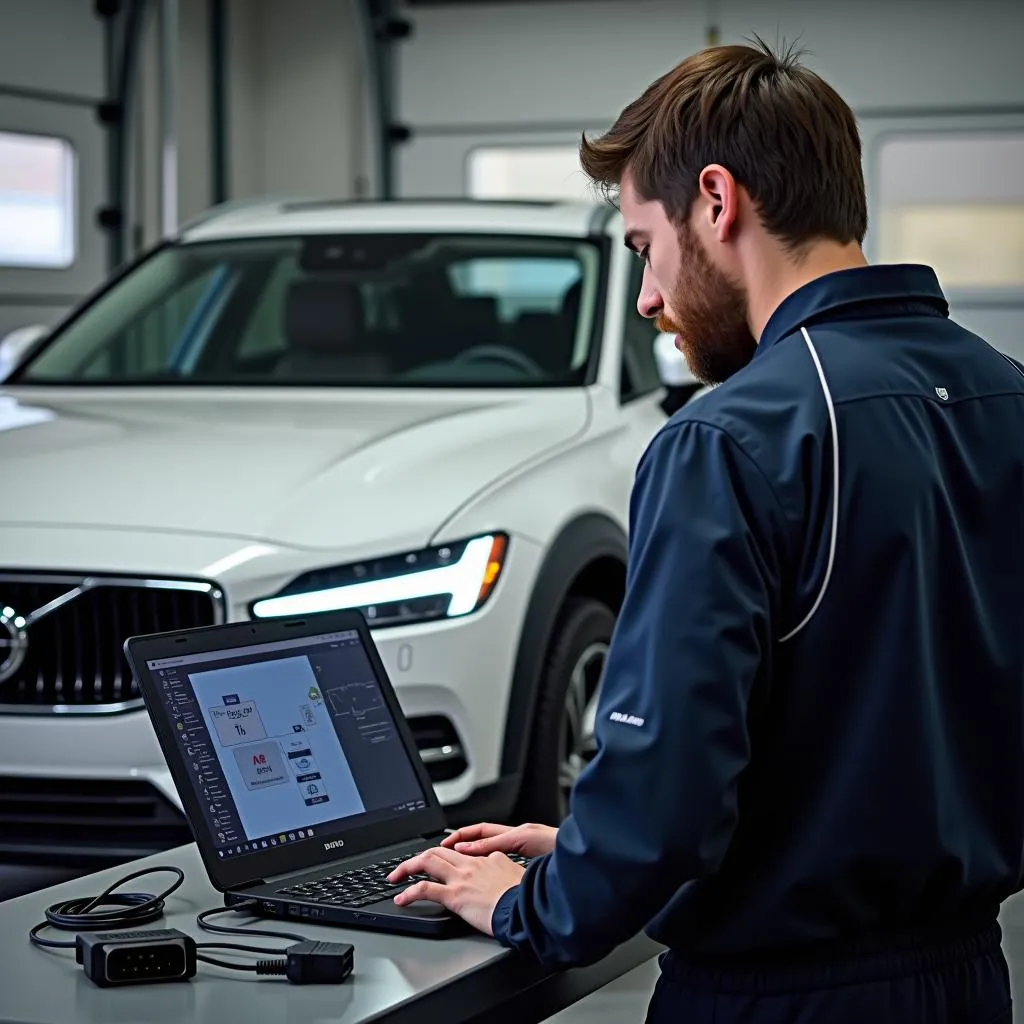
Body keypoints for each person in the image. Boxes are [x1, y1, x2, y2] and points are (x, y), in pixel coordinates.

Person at [387, 38, 1024, 1023]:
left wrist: (532, 902)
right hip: (967, 983)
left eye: (643, 246)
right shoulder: (1002, 395)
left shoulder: (729, 438)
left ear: (716, 201)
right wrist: (588, 842)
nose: (646, 298)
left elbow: (665, 796)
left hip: (776, 999)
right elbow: (875, 725)